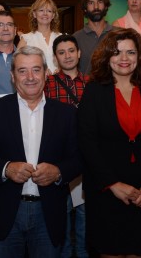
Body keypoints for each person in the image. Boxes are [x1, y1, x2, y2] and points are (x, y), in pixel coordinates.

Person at [0, 46, 82, 258]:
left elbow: (78, 158)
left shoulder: (66, 114)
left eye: (36, 70)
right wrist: (6, 169)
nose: (30, 77)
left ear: (46, 74)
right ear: (13, 76)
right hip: (5, 214)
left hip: (48, 213)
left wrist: (58, 172)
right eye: (22, 71)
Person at [78, 28, 141, 256]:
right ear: (106, 56)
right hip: (106, 193)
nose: (124, 59)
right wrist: (112, 184)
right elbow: (86, 142)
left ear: (139, 56)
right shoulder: (93, 91)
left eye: (130, 52)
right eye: (117, 52)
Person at [44, 34, 89, 258]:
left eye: (71, 51)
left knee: (85, 227)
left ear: (79, 53)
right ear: (55, 57)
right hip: (59, 161)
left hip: (87, 161)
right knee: (60, 227)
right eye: (61, 52)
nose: (67, 56)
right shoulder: (47, 83)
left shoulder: (93, 83)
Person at [73, 0, 113, 75]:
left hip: (115, 87)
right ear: (85, 8)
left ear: (106, 6)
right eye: (91, 3)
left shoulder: (117, 34)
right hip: (86, 87)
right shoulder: (76, 38)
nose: (96, 6)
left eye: (100, 2)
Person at [18, 0, 62, 73]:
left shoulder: (61, 38)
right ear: (34, 14)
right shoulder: (26, 39)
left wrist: (61, 70)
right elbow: (18, 67)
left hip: (59, 83)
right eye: (41, 10)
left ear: (53, 15)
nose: (45, 14)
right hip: (34, 83)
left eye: (49, 11)